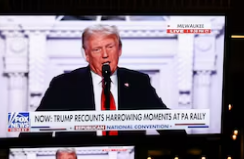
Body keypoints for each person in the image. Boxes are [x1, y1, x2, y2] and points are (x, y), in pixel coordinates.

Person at [36, 24, 168, 111]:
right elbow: (35, 130)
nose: (105, 55)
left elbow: (167, 124)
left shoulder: (139, 82)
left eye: (110, 47)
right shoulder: (63, 85)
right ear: (86, 54)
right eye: (97, 49)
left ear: (119, 49)